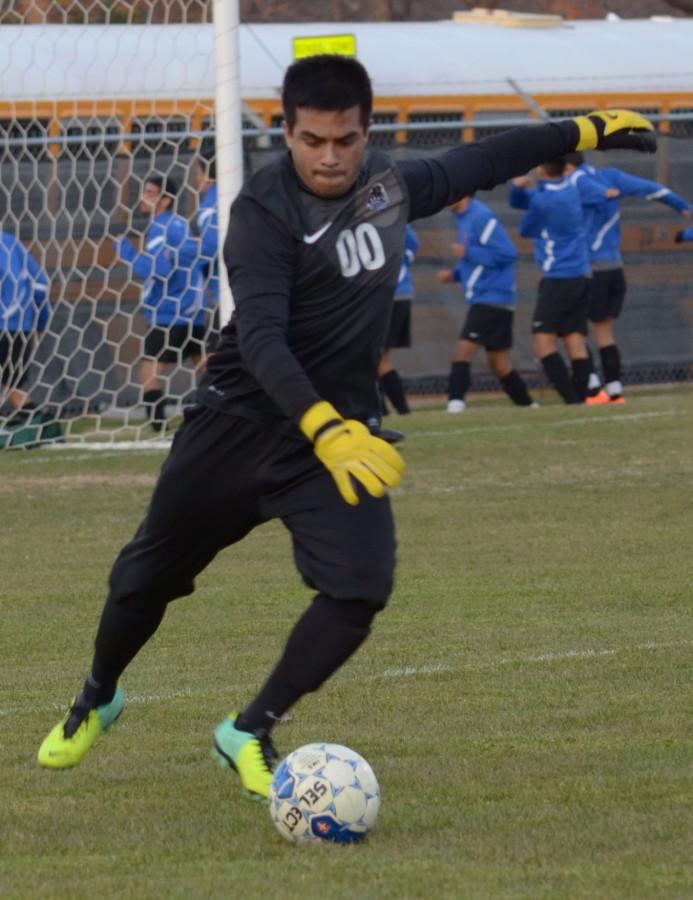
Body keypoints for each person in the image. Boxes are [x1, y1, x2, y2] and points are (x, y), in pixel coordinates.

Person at [37, 55, 656, 800]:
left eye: (346, 140)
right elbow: (261, 338)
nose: (329, 157)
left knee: (361, 587)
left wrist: (581, 127)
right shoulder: (261, 213)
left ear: (366, 132)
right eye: (311, 141)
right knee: (143, 581)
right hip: (237, 426)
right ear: (287, 133)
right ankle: (98, 695)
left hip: (336, 443)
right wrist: (325, 428)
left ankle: (249, 730)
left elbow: (483, 159)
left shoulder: (390, 186)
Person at [565, 151, 693, 402]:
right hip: (614, 266)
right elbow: (650, 188)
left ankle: (591, 389)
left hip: (588, 268)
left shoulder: (573, 182)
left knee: (574, 330)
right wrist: (682, 206)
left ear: (567, 165)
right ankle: (615, 391)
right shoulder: (610, 176)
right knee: (604, 333)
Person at [509, 157, 612, 404]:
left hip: (559, 277)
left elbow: (525, 229)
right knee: (574, 338)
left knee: (543, 341)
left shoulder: (544, 200)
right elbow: (521, 202)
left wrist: (520, 189)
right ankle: (580, 397)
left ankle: (571, 398)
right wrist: (518, 188)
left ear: (541, 170)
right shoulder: (571, 190)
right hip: (581, 274)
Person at [113, 174, 205, 432]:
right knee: (209, 371)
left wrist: (127, 252)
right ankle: (225, 416)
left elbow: (160, 270)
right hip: (193, 311)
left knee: (148, 374)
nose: (144, 197)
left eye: (151, 193)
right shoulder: (181, 225)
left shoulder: (161, 227)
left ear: (166, 200)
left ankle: (159, 428)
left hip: (168, 313)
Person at [436, 195, 535, 412]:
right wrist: (453, 275)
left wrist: (467, 253)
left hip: (491, 298)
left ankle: (455, 403)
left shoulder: (481, 216)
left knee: (462, 353)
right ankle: (529, 405)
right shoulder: (462, 217)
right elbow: (479, 264)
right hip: (491, 299)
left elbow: (507, 254)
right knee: (500, 364)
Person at [0, 230, 51, 417]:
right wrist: (40, 323)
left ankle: (42, 428)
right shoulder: (13, 243)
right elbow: (41, 284)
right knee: (14, 387)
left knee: (13, 386)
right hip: (22, 326)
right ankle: (43, 427)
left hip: (7, 325)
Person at [378, 224, 418, 415]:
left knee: (375, 357)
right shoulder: (393, 216)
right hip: (397, 294)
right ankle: (384, 409)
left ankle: (396, 410)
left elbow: (412, 243)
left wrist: (402, 262)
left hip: (389, 296)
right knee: (375, 358)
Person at [191, 149, 221, 348]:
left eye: (197, 172)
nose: (195, 178)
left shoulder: (210, 204)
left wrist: (180, 254)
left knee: (214, 359)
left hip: (229, 294)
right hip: (248, 289)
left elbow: (211, 247)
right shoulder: (241, 192)